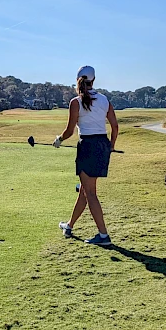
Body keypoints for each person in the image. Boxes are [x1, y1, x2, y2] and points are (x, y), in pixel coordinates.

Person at [54, 65, 118, 246]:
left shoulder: (76, 102)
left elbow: (69, 131)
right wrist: (111, 147)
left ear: (78, 80)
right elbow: (115, 126)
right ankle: (69, 225)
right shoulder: (105, 100)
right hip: (102, 145)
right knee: (84, 190)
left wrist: (59, 139)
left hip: (87, 146)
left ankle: (103, 236)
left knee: (90, 193)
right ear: (94, 80)